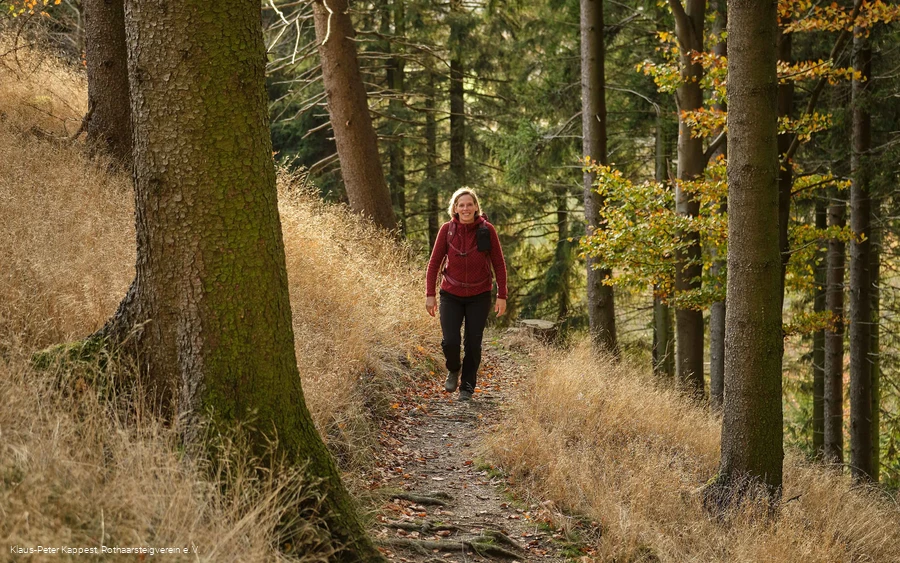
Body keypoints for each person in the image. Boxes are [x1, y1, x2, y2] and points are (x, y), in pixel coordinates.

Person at [425, 187, 507, 401]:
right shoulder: (446, 230)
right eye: (461, 205)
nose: (466, 208)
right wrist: (430, 294)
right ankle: (454, 368)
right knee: (450, 341)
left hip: (479, 295)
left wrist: (502, 295)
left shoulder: (487, 230)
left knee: (473, 342)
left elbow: (498, 263)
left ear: (476, 207)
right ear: (455, 208)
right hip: (450, 293)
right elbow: (434, 263)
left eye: (469, 204)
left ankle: (467, 387)